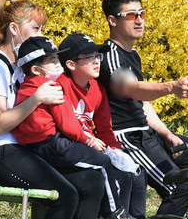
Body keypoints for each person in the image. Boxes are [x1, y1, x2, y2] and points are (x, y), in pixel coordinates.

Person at [0, 0, 105, 219]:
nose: (41, 35)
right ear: (14, 29)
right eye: (36, 28)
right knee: (64, 195)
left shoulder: (21, 68)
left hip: (21, 149)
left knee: (92, 182)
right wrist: (37, 99)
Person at [96, 0, 188, 219]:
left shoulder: (133, 55)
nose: (140, 20)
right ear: (112, 21)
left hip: (147, 135)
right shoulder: (109, 54)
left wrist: (167, 134)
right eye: (131, 15)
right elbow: (131, 88)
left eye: (142, 13)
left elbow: (141, 102)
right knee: (181, 187)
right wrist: (171, 87)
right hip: (126, 138)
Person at [12, 36, 135, 219]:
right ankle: (114, 212)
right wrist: (88, 140)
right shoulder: (51, 87)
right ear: (37, 70)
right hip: (54, 144)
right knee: (103, 163)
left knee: (97, 172)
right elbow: (67, 123)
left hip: (33, 150)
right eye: (53, 61)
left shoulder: (26, 87)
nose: (58, 63)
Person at [58, 33, 147, 219]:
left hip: (95, 149)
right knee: (118, 178)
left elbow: (105, 128)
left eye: (97, 56)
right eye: (88, 57)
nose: (96, 61)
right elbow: (64, 127)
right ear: (71, 64)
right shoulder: (61, 85)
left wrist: (115, 150)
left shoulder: (98, 89)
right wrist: (90, 141)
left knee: (135, 175)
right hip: (73, 150)